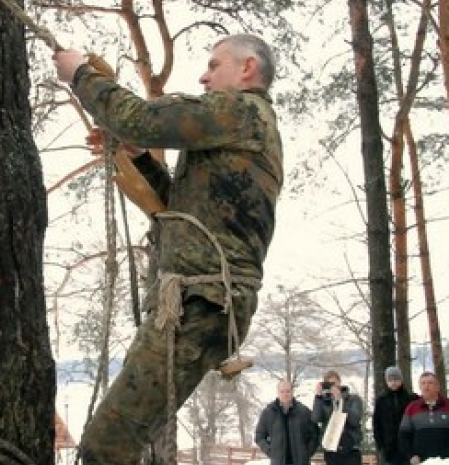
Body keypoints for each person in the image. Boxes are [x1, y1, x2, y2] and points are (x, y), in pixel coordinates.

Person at [52, 34, 284, 465]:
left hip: (202, 303)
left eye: (214, 66)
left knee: (106, 447)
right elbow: (176, 211)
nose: (204, 76)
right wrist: (138, 157)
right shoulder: (241, 128)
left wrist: (80, 75)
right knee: (115, 444)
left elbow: (139, 117)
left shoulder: (241, 111)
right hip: (202, 303)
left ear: (247, 68)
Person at [398, 371, 449, 464]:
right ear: (420, 387)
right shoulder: (411, 408)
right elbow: (403, 436)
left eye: (430, 383)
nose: (426, 386)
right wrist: (411, 455)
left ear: (437, 386)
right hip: (422, 462)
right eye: (423, 383)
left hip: (448, 461)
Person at [255, 380, 320, 465]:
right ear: (277, 393)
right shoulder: (268, 412)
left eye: (288, 391)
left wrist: (307, 453)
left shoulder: (304, 412)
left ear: (292, 392)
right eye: (282, 391)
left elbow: (315, 435)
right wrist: (271, 451)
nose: (285, 394)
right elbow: (259, 436)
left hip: (301, 462)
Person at [312, 370, 364, 465]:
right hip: (332, 449)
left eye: (334, 383)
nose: (333, 387)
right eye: (329, 384)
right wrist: (318, 397)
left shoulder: (353, 399)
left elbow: (355, 420)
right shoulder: (324, 402)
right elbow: (316, 418)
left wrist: (340, 400)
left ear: (340, 382)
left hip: (351, 449)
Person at [373, 366, 419, 465]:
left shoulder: (411, 398)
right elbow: (376, 424)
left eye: (396, 379)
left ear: (401, 380)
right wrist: (380, 445)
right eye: (390, 380)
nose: (393, 382)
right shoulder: (381, 400)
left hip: (409, 447)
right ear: (386, 381)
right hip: (390, 448)